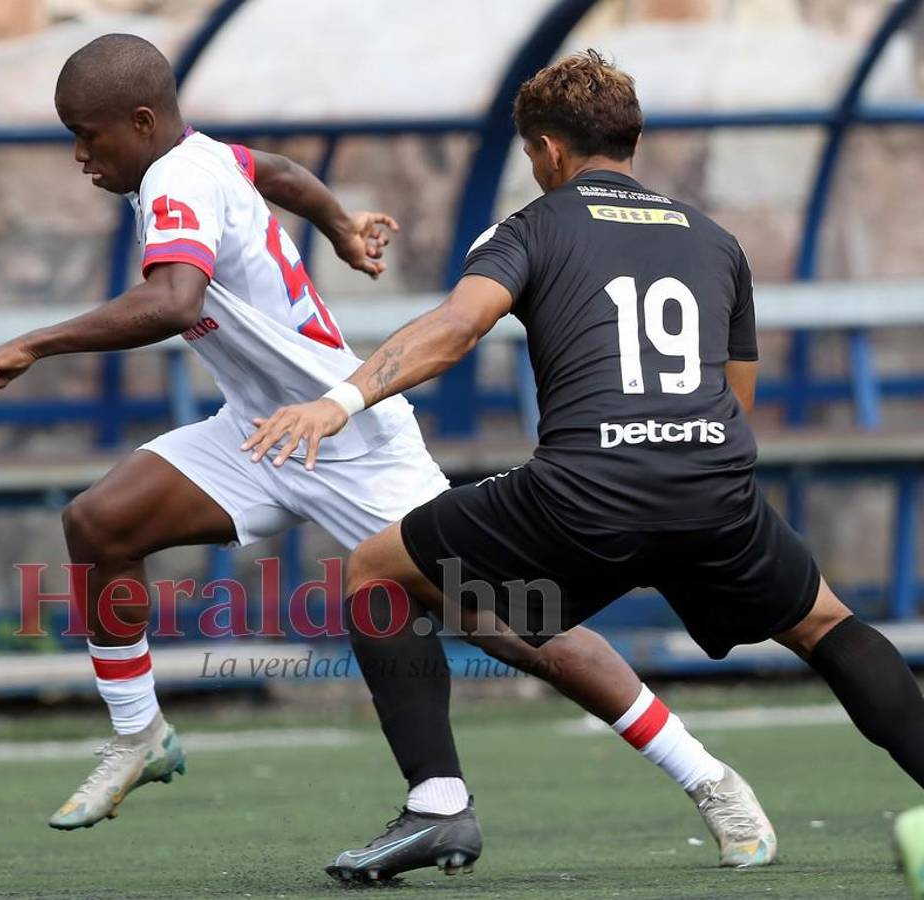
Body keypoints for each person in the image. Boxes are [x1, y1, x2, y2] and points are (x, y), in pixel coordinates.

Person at [0, 35, 773, 878]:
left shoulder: (174, 177)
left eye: (88, 136)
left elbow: (174, 301)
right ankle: (141, 734)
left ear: (140, 121)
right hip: (259, 430)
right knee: (98, 523)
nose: (80, 156)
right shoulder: (198, 157)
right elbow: (272, 170)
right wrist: (339, 223)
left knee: (509, 622)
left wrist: (32, 343)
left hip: (351, 442)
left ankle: (707, 778)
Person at [244, 48, 924, 882]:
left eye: (532, 154)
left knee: (378, 571)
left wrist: (339, 401)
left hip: (586, 494)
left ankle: (437, 806)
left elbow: (455, 331)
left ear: (550, 153)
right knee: (827, 626)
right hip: (714, 492)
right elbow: (734, 400)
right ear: (629, 142)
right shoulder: (716, 241)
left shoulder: (531, 227)